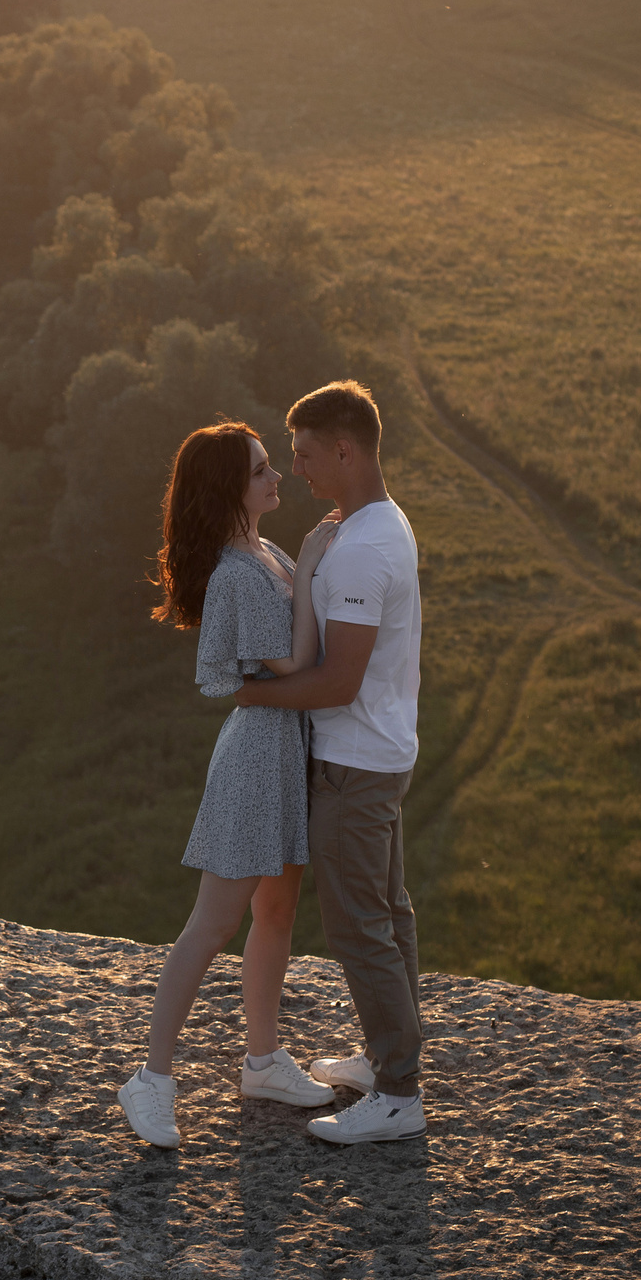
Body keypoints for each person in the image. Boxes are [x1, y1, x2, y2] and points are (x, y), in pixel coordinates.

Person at [116, 421, 344, 1149]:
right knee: (212, 923)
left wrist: (299, 563)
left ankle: (263, 1059)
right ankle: (151, 1079)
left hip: (288, 748)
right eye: (260, 470)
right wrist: (311, 566)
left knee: (276, 912)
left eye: (272, 465)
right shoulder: (244, 571)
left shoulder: (264, 552)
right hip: (255, 758)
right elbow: (297, 660)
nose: (276, 476)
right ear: (229, 490)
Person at [234, 379, 427, 1145]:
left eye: (308, 456)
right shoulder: (377, 523)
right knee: (390, 912)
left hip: (352, 762)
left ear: (345, 449)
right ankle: (389, 1060)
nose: (301, 472)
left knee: (359, 929)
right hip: (379, 751)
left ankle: (399, 1093)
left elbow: (338, 679)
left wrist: (252, 694)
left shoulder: (364, 547)